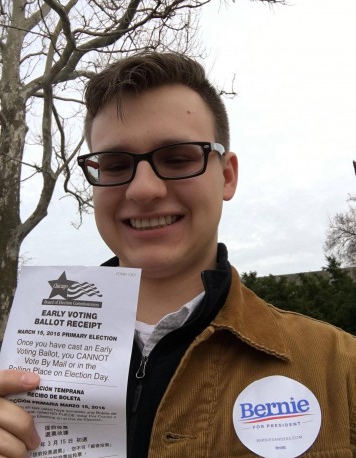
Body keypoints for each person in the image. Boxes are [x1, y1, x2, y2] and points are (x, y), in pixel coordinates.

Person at [0, 52, 355, 457]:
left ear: (227, 175)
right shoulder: (13, 369)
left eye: (178, 158)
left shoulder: (341, 370)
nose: (143, 190)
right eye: (116, 165)